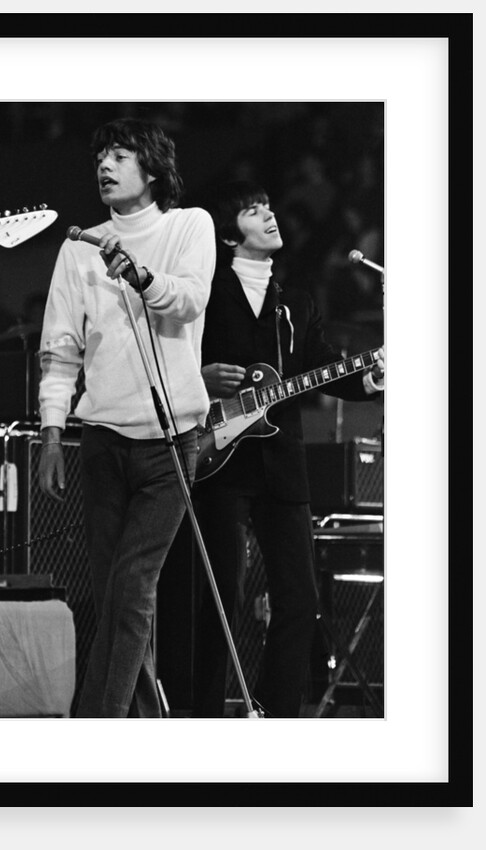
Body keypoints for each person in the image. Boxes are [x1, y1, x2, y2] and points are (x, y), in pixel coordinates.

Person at [37, 118, 216, 718]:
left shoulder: (189, 225)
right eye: (100, 157)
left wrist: (139, 274)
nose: (104, 167)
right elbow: (60, 348)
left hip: (172, 443)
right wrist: (52, 431)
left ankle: (96, 730)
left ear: (153, 168)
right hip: (103, 441)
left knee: (133, 590)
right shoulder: (77, 246)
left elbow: (190, 297)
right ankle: (146, 732)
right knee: (114, 595)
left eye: (119, 155)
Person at [191, 179, 384, 718]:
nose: (270, 215)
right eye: (254, 210)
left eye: (269, 207)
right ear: (231, 236)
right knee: (220, 599)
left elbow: (323, 366)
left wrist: (370, 378)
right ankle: (203, 719)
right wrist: (200, 377)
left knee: (298, 600)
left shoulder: (295, 302)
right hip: (220, 460)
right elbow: (173, 358)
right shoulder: (205, 290)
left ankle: (278, 719)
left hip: (283, 464)